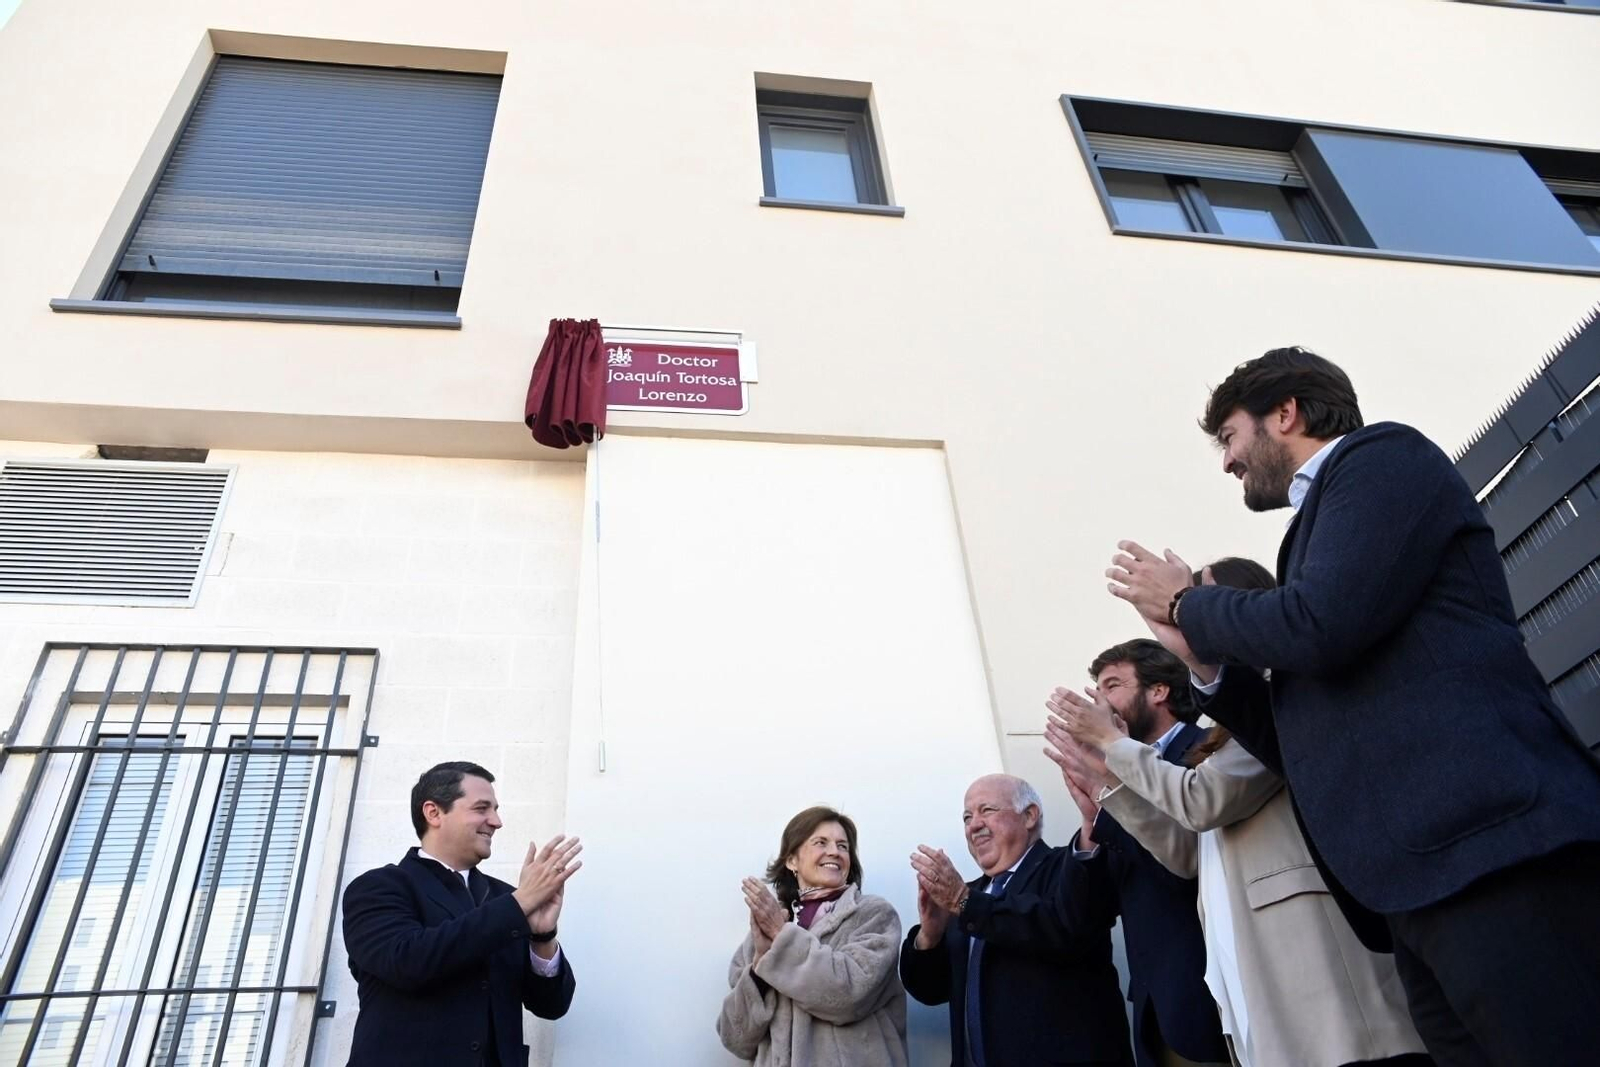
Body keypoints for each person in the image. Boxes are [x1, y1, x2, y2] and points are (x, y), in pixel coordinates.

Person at [1108, 346, 1600, 1066]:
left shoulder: (1381, 459)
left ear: (1286, 411)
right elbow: (1298, 740)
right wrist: (1204, 657)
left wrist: (1189, 601)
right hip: (1415, 890)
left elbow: (1320, 620)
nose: (1226, 462)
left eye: (1230, 437)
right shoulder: (1314, 534)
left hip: (1490, 853)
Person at [1048, 558, 1428, 1067]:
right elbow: (1186, 852)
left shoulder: (1286, 699)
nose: (1185, 626)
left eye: (1192, 607)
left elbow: (1201, 801)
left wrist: (1113, 745)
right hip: (1252, 979)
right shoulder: (1223, 725)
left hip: (1325, 983)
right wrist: (1107, 785)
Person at [1057, 643, 1230, 1067]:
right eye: (1096, 688)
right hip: (1154, 1010)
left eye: (1112, 686)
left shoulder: (1207, 752)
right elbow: (1087, 915)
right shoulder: (1109, 776)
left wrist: (1115, 799)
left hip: (1213, 1001)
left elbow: (1185, 868)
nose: (1099, 701)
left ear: (1159, 691)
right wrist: (1089, 825)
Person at [342, 761, 580, 1067]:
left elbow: (552, 1005)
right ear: (434, 813)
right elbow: (408, 962)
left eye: (495, 809)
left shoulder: (507, 897)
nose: (496, 821)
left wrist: (542, 937)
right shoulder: (378, 887)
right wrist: (520, 905)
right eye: (482, 808)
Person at [899, 774, 1133, 1067]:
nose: (973, 825)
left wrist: (964, 902)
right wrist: (929, 938)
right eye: (967, 817)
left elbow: (1062, 928)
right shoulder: (967, 895)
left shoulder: (1068, 869)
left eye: (987, 810)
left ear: (1030, 815)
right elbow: (931, 992)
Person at [716, 806, 908, 1066]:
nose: (834, 852)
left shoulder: (874, 916)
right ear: (792, 860)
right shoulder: (761, 935)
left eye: (843, 846)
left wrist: (781, 941)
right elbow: (735, 1037)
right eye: (821, 842)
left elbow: (847, 995)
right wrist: (760, 964)